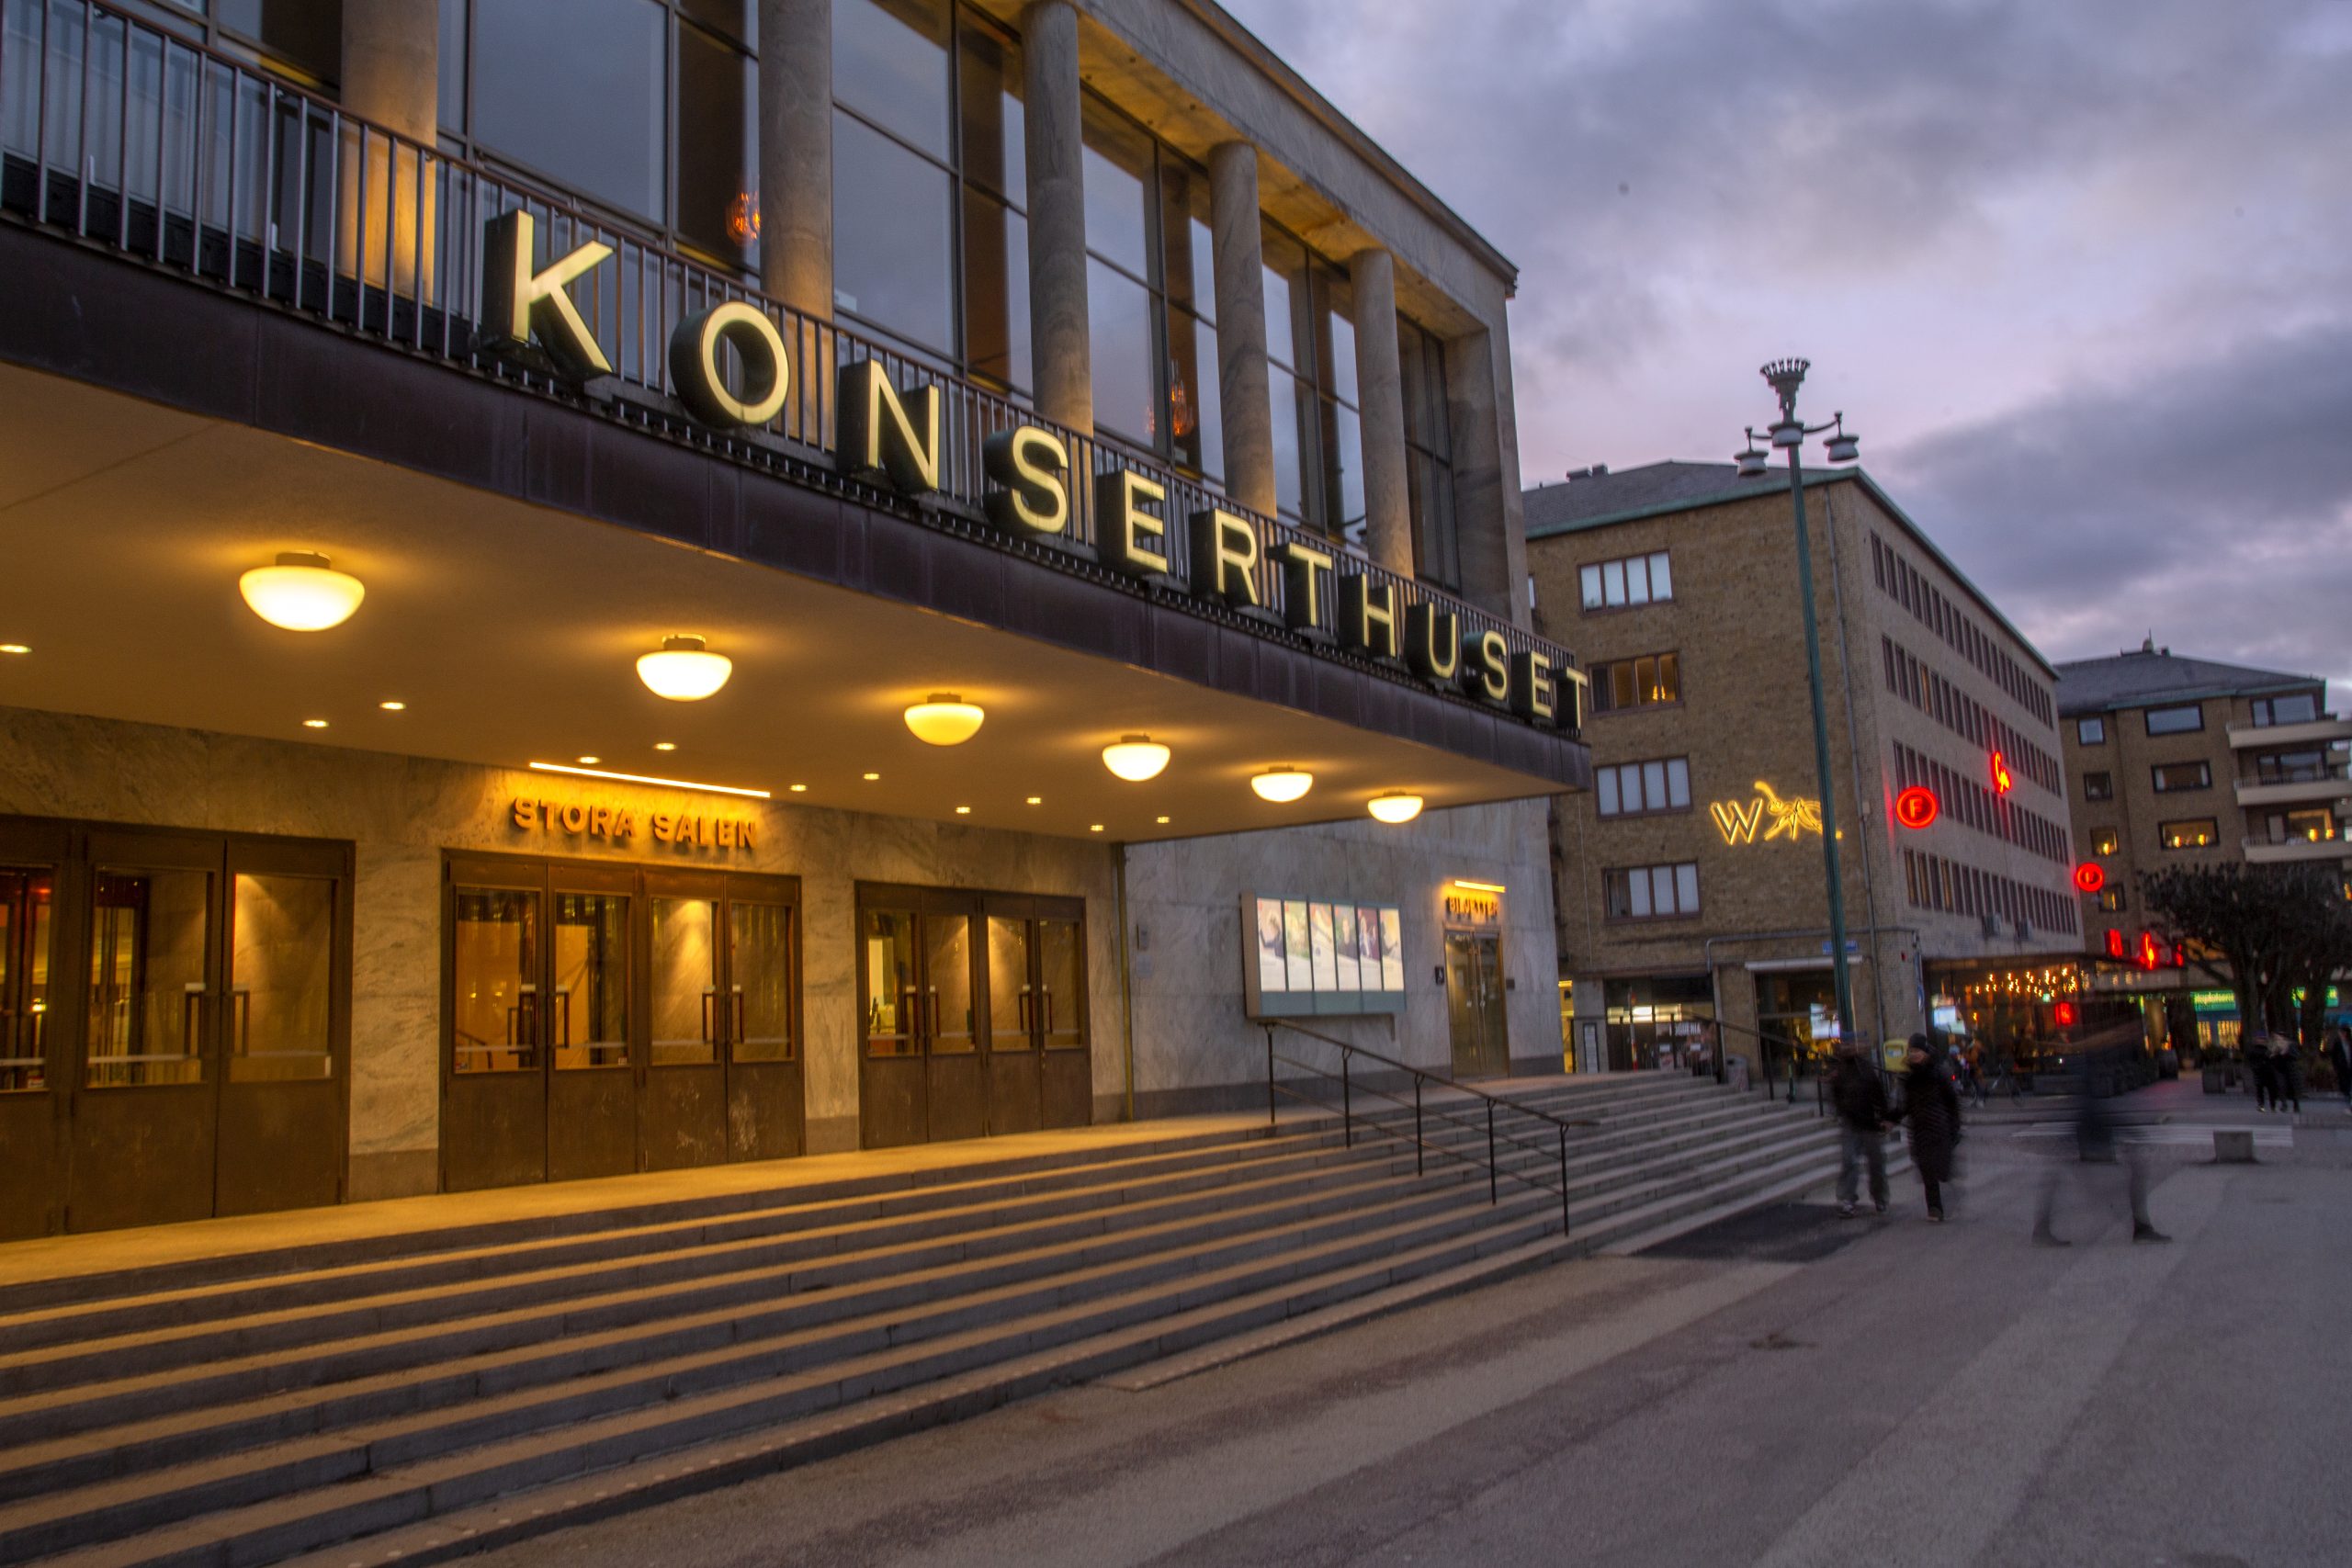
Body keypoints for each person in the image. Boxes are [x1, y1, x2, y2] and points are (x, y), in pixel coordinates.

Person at [2033, 1063, 2169, 1246]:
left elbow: (2092, 1116)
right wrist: (2132, 1133)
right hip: (2095, 1145)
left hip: (2091, 1143)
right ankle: (2141, 1228)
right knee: (2135, 1172)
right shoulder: (2092, 1099)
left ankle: (2041, 1229)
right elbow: (2103, 1115)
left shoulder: (2087, 1098)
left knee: (2056, 1179)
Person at [1894, 1033, 1961, 1223]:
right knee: (1926, 1170)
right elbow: (1905, 1105)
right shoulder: (1909, 1077)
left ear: (1925, 1052)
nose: (1914, 1054)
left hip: (1939, 1128)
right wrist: (1892, 1118)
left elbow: (1951, 1101)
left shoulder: (1938, 1073)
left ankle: (1945, 1196)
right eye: (1911, 1051)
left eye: (1917, 1051)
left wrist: (1955, 1126)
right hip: (1919, 1129)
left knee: (1941, 1169)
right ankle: (1934, 1208)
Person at [1830, 1040, 1891, 1217]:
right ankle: (1848, 1199)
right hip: (1850, 1121)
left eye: (1849, 1045)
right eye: (1845, 1045)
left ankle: (1879, 1197)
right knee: (1849, 1160)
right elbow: (1836, 1094)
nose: (1847, 1048)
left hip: (1869, 1122)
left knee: (1876, 1162)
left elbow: (1879, 1093)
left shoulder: (1865, 1069)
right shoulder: (1840, 1071)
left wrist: (1884, 1116)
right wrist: (1841, 1110)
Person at [2245, 1030, 2277, 1112]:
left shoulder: (2268, 1049)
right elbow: (2250, 1061)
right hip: (2259, 1072)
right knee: (2260, 1090)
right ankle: (2261, 1105)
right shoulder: (2253, 1050)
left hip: (2269, 1072)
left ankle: (2272, 1106)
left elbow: (2273, 1059)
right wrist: (2255, 1068)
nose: (2261, 1040)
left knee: (2271, 1090)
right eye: (2260, 1039)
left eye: (2263, 1039)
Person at [2271, 1032, 2302, 1115]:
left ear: (2283, 1037)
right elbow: (2270, 1057)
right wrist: (2274, 1054)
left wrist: (2286, 1053)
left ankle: (2296, 1105)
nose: (2277, 1039)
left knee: (2293, 1087)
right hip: (2280, 1070)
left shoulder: (2290, 1045)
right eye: (2275, 1038)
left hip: (2291, 1070)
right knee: (2281, 1086)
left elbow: (2296, 1055)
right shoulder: (2274, 1046)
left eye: (2278, 1037)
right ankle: (2284, 1104)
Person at [2327, 1027, 2352, 1115]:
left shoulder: (2350, 1042)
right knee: (2345, 1088)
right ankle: (2349, 1103)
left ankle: (2350, 1106)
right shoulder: (2337, 1043)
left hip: (2350, 1067)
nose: (2341, 1034)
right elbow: (2334, 1056)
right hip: (2343, 1068)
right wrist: (2335, 1067)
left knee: (2350, 1088)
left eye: (2342, 1032)